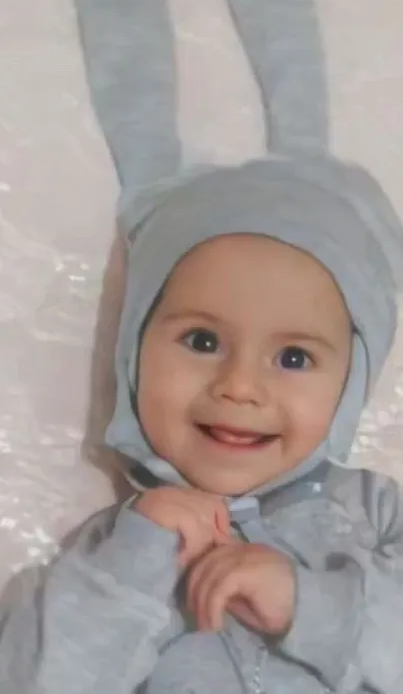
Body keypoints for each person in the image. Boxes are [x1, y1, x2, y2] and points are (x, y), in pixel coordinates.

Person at [1, 155, 403, 694]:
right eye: (202, 341)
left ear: (351, 381)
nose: (239, 386)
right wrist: (139, 555)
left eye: (293, 358)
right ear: (134, 353)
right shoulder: (116, 549)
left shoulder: (372, 511)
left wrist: (312, 607)